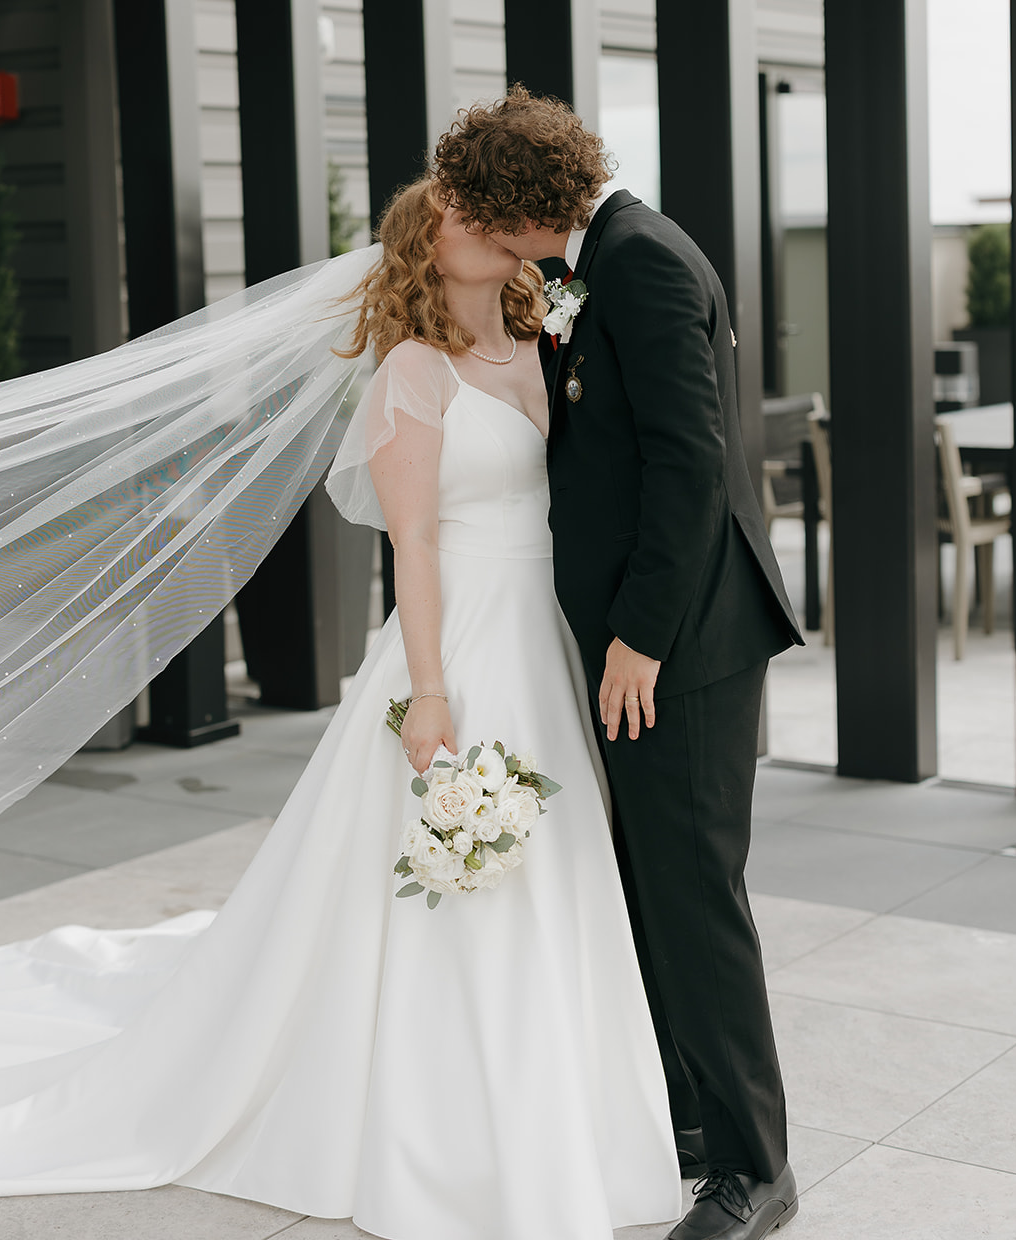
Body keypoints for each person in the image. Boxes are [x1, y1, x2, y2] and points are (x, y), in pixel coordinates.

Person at [0, 177, 684, 1238]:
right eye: (466, 216)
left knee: (556, 867)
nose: (494, 227)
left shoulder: (546, 342)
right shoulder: (411, 373)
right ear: (427, 245)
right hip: (460, 635)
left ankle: (570, 1100)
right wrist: (430, 693)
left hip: (543, 636)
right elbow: (411, 547)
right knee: (449, 876)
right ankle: (447, 1128)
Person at [434, 85, 803, 1240]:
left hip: (677, 644)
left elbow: (691, 470)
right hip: (644, 638)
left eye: (476, 206)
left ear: (513, 204)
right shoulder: (608, 253)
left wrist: (636, 637)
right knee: (651, 885)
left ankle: (754, 1169)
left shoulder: (638, 259)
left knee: (694, 897)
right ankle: (689, 1120)